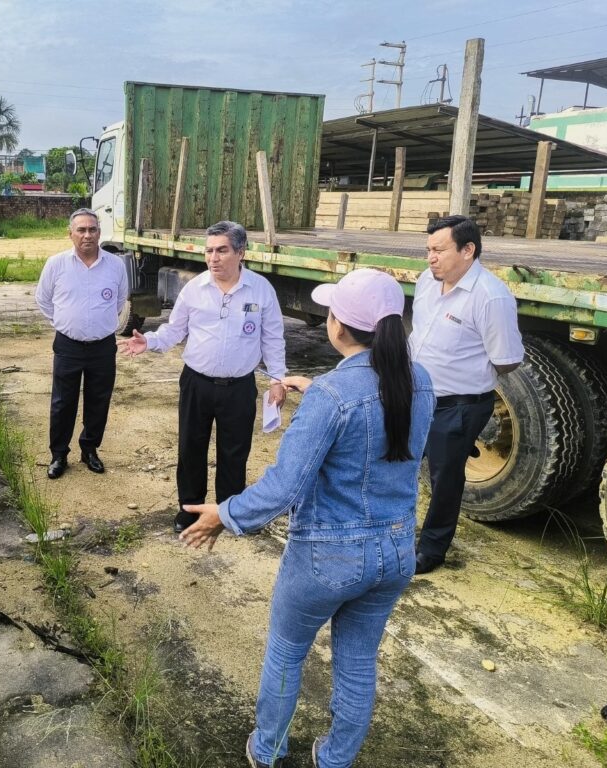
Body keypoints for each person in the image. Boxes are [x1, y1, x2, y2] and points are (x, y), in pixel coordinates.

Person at [179, 268, 435, 768]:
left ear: (337, 326)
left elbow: (283, 486)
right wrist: (311, 386)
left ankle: (267, 748)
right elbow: (374, 396)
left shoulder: (333, 397)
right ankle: (335, 759)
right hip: (395, 550)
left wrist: (224, 515)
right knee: (359, 663)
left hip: (328, 555)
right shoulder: (419, 381)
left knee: (287, 652)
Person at [118, 220, 286, 533]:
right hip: (197, 383)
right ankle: (190, 510)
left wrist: (277, 378)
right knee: (191, 448)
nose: (213, 258)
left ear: (240, 252)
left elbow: (273, 338)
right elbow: (174, 329)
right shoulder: (195, 289)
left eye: (221, 250)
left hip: (239, 387)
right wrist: (150, 341)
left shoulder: (260, 290)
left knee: (234, 453)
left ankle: (228, 511)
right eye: (209, 251)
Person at [410, 215, 524, 574]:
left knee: (445, 479)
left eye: (439, 250)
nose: (431, 257)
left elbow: (507, 360)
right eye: (428, 249)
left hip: (458, 406)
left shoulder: (491, 298)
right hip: (418, 396)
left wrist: (464, 371)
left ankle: (431, 549)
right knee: (400, 465)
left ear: (468, 250)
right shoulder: (428, 282)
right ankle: (393, 532)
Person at [35, 208, 129, 479]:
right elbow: (43, 299)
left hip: (102, 346)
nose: (87, 235)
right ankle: (59, 454)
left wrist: (97, 323)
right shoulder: (56, 264)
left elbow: (120, 300)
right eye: (81, 230)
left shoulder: (115, 265)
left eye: (93, 229)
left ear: (99, 233)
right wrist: (65, 323)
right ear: (70, 234)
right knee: (63, 402)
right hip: (68, 345)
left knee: (98, 400)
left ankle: (89, 450)